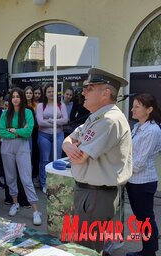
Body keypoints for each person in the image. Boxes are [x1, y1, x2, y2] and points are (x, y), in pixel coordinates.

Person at [62, 68, 132, 253]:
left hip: (95, 194)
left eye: (89, 87)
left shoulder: (109, 120)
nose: (83, 92)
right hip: (90, 193)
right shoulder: (97, 117)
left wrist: (71, 146)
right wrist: (67, 144)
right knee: (85, 245)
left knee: (87, 249)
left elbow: (79, 158)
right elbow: (69, 139)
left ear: (106, 93)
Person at [0, 87, 42, 225]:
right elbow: (2, 132)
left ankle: (35, 211)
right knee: (10, 177)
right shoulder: (5, 114)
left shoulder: (28, 112)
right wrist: (18, 132)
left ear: (22, 98)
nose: (15, 99)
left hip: (22, 147)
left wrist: (14, 130)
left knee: (26, 179)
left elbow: (29, 131)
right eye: (13, 96)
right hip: (7, 147)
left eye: (18, 96)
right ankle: (15, 203)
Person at [125, 93, 161, 256]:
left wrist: (121, 168)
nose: (132, 109)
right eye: (133, 106)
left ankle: (149, 252)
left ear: (149, 110)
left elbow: (139, 163)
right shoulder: (138, 127)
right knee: (142, 219)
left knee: (146, 219)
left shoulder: (152, 130)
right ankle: (147, 250)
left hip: (142, 182)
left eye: (137, 106)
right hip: (134, 181)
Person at [36, 84, 68, 193]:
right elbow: (40, 122)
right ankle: (44, 183)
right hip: (44, 135)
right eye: (49, 91)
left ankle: (56, 183)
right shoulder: (41, 106)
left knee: (57, 159)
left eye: (53, 91)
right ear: (45, 93)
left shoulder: (61, 105)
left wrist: (49, 121)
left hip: (59, 135)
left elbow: (65, 120)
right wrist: (56, 122)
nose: (51, 93)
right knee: (44, 160)